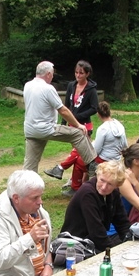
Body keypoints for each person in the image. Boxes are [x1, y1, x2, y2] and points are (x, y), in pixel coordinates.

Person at [23, 61, 98, 176]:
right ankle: (92, 166)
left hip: (30, 130)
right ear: (48, 74)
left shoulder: (28, 85)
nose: (52, 77)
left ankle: (24, 189)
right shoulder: (48, 88)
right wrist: (78, 125)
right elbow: (63, 109)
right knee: (79, 134)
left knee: (30, 165)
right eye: (52, 74)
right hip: (46, 129)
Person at [44, 61, 100, 194]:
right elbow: (66, 107)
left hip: (84, 126)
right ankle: (76, 182)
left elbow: (94, 108)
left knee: (79, 152)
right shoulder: (71, 85)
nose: (78, 75)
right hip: (71, 124)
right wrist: (64, 122)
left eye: (81, 73)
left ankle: (61, 169)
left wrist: (78, 116)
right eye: (76, 72)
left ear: (87, 74)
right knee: (79, 153)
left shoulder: (91, 89)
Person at [60, 160, 131, 252]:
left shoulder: (114, 193)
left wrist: (129, 241)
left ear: (117, 185)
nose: (104, 187)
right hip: (76, 243)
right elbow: (96, 231)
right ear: (97, 175)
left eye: (110, 184)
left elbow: (122, 222)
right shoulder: (87, 193)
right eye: (102, 180)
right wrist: (112, 252)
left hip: (93, 240)